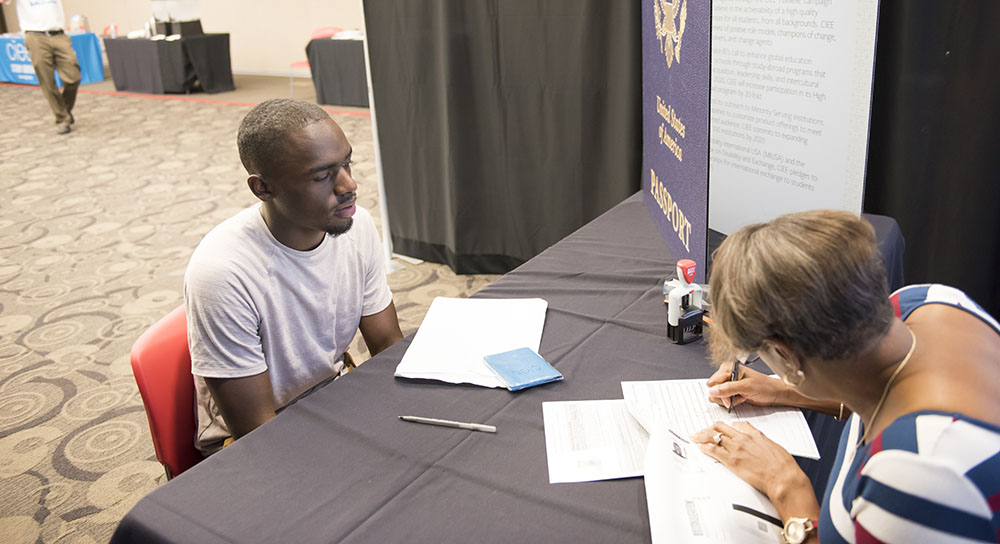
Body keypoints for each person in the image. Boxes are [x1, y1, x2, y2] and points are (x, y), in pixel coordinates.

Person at [690, 210, 1000, 543]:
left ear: (784, 353)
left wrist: (786, 487)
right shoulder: (923, 301)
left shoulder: (912, 476)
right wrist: (782, 389)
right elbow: (877, 385)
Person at [184, 99, 403, 455]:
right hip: (258, 438)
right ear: (262, 189)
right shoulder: (222, 272)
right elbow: (255, 432)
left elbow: (387, 343)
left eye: (347, 163)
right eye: (322, 176)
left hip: (331, 397)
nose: (349, 185)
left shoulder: (355, 224)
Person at [4, 0, 80, 134]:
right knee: (47, 80)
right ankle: (62, 119)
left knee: (73, 76)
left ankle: (64, 109)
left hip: (58, 34)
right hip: (35, 36)